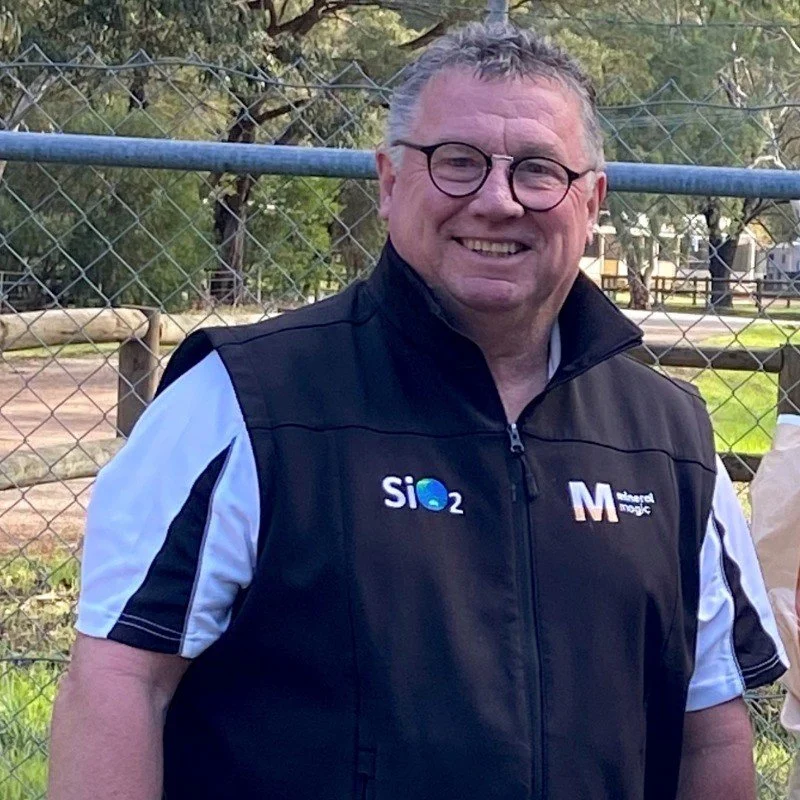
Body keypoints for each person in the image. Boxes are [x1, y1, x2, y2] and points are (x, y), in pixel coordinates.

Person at [49, 22, 787, 800]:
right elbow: (120, 682)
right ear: (389, 181)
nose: (498, 201)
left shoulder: (669, 440)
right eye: (457, 161)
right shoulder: (242, 405)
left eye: (538, 170)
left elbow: (710, 732)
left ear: (592, 201)